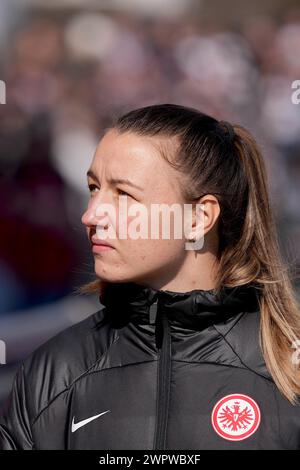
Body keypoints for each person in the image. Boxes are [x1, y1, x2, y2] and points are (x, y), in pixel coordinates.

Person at [0, 103, 300, 450]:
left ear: (199, 218)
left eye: (124, 194)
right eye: (94, 187)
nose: (91, 214)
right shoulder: (57, 370)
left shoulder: (285, 371)